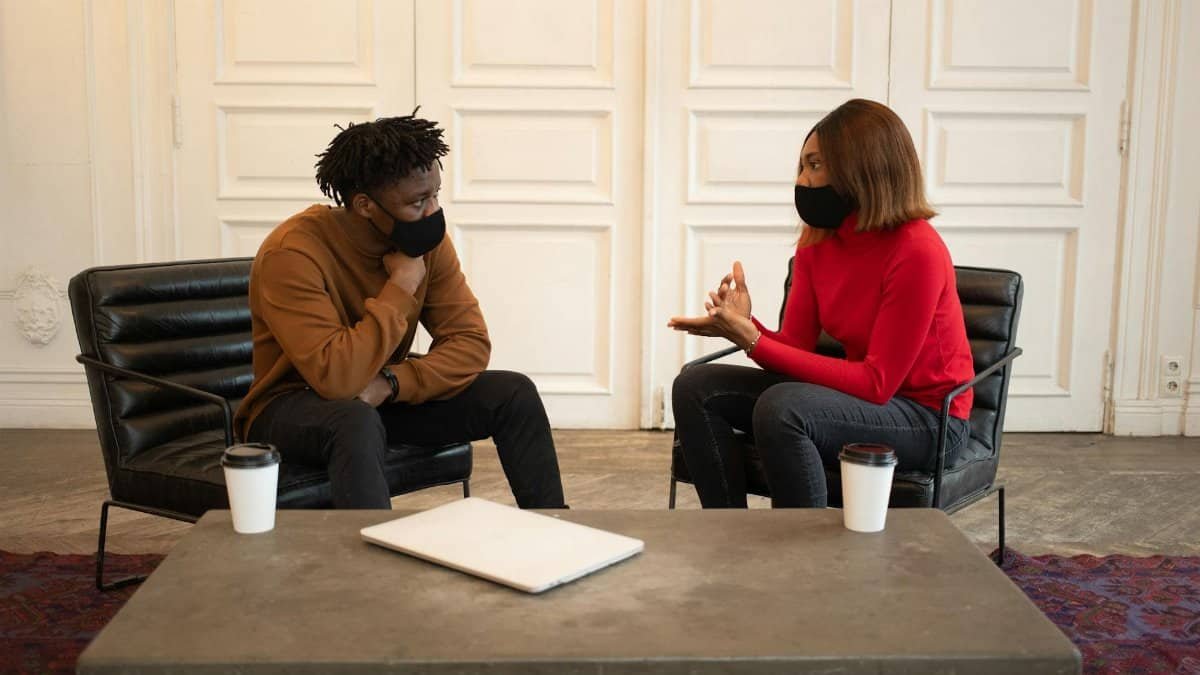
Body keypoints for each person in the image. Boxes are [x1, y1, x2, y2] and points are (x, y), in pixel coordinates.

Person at [234, 112, 566, 509]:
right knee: (353, 420)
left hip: (376, 398)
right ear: (364, 205)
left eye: (436, 194)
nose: (433, 212)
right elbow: (336, 379)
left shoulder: (427, 243)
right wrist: (400, 287)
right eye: (418, 202)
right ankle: (374, 567)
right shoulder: (292, 254)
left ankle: (555, 531)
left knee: (513, 393)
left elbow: (471, 343)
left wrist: (392, 383)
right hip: (289, 406)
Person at [668, 98, 975, 509]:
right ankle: (730, 535)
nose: (803, 180)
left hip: (929, 419)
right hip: (864, 405)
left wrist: (753, 341)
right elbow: (794, 347)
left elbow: (878, 383)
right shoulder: (818, 242)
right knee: (695, 386)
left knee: (785, 407)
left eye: (815, 165)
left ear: (861, 166)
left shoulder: (917, 249)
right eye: (801, 166)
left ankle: (807, 559)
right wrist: (744, 326)